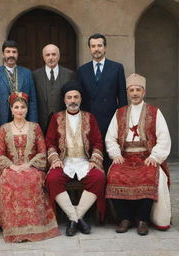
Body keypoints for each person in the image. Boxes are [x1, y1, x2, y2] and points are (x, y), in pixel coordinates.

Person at [105, 73, 171, 236]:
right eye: (132, 90)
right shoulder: (119, 113)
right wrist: (115, 154)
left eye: (138, 90)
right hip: (125, 156)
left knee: (149, 175)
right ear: (128, 92)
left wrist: (154, 157)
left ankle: (142, 220)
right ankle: (124, 218)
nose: (134, 93)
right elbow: (110, 137)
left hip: (147, 157)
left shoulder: (155, 112)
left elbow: (164, 137)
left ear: (144, 92)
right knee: (114, 175)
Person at [0, 92, 60, 243]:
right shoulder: (4, 129)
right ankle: (14, 230)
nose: (19, 110)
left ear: (27, 109)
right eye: (16, 107)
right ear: (11, 109)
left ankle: (35, 227)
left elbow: (42, 151)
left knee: (32, 178)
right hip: (11, 169)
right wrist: (12, 166)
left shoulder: (35, 127)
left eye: (23, 107)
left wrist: (28, 165)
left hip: (31, 167)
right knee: (9, 179)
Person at [45, 81, 106, 236]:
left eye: (76, 97)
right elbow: (50, 141)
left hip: (85, 161)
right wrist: (55, 159)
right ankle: (77, 219)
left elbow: (98, 141)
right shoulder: (56, 118)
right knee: (52, 179)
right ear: (64, 100)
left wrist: (94, 160)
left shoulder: (89, 117)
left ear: (80, 99)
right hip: (64, 161)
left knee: (98, 177)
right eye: (69, 97)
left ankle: (74, 219)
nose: (73, 100)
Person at [77, 33, 127, 139]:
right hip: (89, 120)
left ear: (105, 47)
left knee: (110, 152)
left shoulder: (117, 68)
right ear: (89, 48)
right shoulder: (82, 70)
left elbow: (122, 97)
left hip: (111, 120)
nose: (96, 49)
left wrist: (122, 120)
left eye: (99, 45)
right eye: (93, 46)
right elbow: (79, 97)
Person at [0, 40, 38, 135]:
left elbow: (32, 100)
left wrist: (33, 123)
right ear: (3, 54)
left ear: (17, 54)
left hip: (24, 122)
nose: (11, 55)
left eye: (14, 52)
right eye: (8, 52)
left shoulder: (27, 73)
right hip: (0, 121)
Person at [33, 44, 74, 133]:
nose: (51, 58)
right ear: (43, 57)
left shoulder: (69, 74)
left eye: (54, 54)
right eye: (47, 55)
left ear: (58, 56)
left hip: (63, 123)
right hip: (41, 123)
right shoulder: (35, 75)